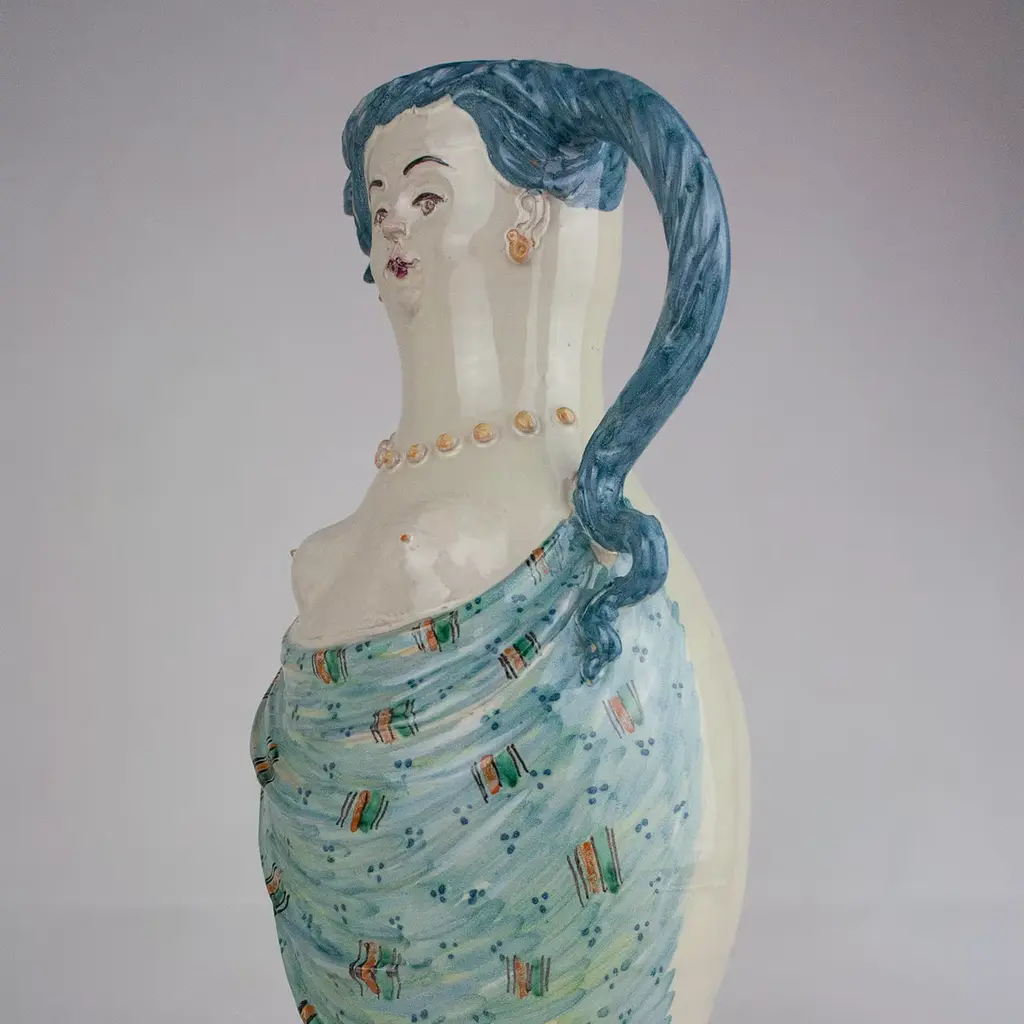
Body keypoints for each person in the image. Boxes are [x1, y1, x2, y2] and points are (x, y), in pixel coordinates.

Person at [254, 59, 749, 1024]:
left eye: (428, 196)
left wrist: (606, 465)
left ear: (531, 215)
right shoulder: (404, 497)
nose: (394, 225)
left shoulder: (567, 531)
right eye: (379, 204)